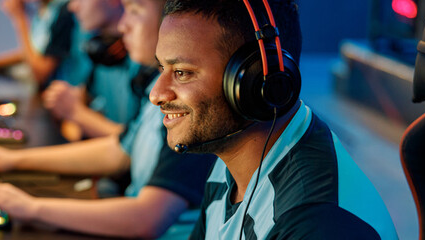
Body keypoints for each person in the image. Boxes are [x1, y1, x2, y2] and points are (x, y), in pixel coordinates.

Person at [0, 0, 217, 238]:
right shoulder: (151, 87)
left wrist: (31, 208)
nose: (123, 25)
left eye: (135, 11)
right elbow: (118, 151)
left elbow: (147, 219)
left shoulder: (189, 107)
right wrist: (13, 160)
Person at [150, 0, 399, 239]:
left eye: (182, 73)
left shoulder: (317, 223)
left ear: (255, 80)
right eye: (162, 68)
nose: (156, 94)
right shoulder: (230, 160)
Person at [42, 0, 141, 139]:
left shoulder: (143, 59)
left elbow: (138, 143)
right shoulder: (99, 48)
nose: (72, 7)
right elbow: (84, 102)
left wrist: (75, 113)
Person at [0, 0, 76, 85]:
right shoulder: (44, 10)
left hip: (60, 102)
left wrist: (19, 18)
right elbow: (30, 54)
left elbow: (41, 73)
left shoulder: (64, 11)